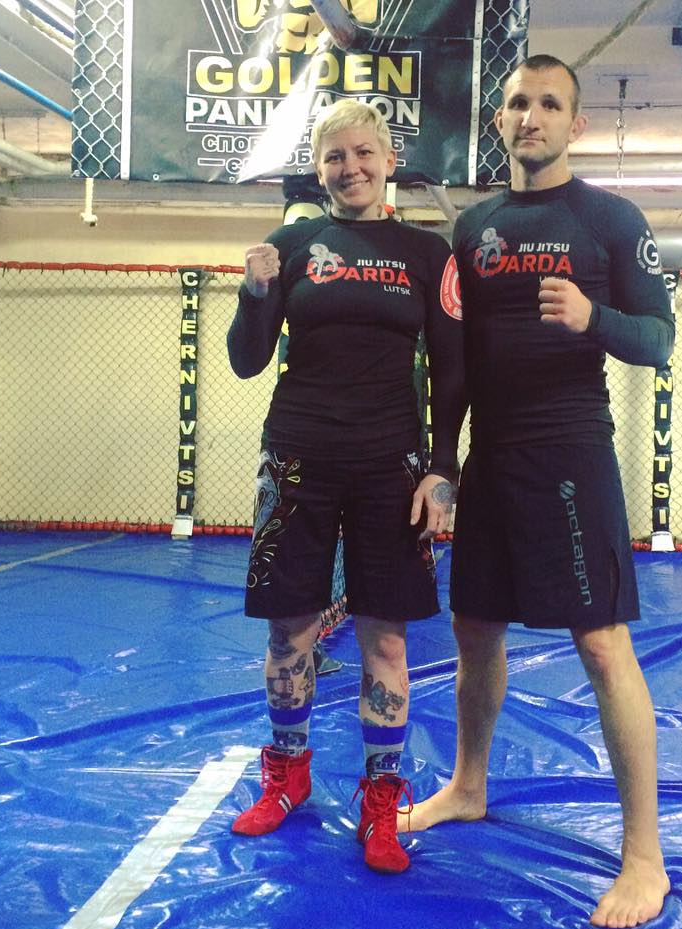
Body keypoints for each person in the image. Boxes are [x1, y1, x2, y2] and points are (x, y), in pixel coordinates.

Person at [401, 55, 675, 925]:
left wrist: (596, 319)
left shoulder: (609, 219)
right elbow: (452, 366)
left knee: (601, 643)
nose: (532, 116)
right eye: (518, 102)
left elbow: (660, 339)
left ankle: (645, 858)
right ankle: (468, 786)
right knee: (474, 629)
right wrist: (443, 462)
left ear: (575, 124)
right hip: (494, 456)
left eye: (550, 104)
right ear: (500, 120)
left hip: (571, 454)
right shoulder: (474, 229)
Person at [226, 98, 465, 874]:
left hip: (389, 463)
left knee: (386, 638)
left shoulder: (426, 253)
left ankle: (381, 801)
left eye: (364, 153)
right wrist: (253, 293)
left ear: (389, 161)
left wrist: (444, 468)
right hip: (298, 456)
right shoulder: (291, 246)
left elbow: (453, 370)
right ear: (319, 167)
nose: (350, 168)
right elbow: (246, 360)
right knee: (288, 629)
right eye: (335, 156)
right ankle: (287, 775)